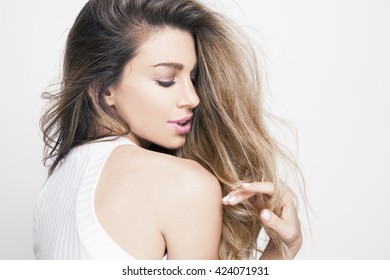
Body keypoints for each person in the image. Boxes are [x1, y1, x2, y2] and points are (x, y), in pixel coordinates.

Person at [34, 0, 303, 260]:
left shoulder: (52, 190)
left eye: (193, 78)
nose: (193, 98)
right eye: (166, 80)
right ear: (104, 89)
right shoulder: (185, 183)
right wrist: (282, 249)